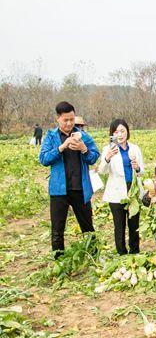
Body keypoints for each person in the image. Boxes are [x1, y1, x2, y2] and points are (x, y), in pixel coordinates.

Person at [39, 101, 100, 258]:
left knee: (87, 226)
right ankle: (60, 260)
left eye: (72, 119)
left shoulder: (83, 136)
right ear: (58, 119)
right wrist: (62, 147)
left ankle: (94, 256)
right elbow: (44, 159)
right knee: (57, 228)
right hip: (59, 191)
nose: (69, 123)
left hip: (80, 188)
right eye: (65, 120)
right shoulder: (51, 137)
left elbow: (94, 157)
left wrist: (84, 149)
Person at [98, 119, 145, 255]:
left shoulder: (135, 148)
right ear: (112, 134)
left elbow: (142, 172)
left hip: (133, 190)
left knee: (134, 224)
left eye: (122, 131)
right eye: (116, 131)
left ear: (127, 132)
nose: (120, 134)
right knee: (119, 225)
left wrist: (137, 168)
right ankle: (121, 253)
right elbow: (102, 171)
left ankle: (135, 251)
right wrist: (107, 158)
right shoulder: (108, 149)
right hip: (116, 193)